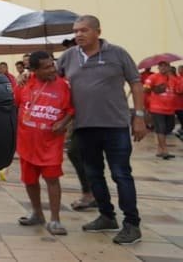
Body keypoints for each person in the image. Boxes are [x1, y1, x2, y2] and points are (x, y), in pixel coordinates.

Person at [56, 15, 147, 245]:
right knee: (94, 174)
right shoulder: (68, 57)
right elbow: (55, 84)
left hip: (115, 126)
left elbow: (135, 83)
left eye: (84, 30)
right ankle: (107, 216)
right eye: (75, 31)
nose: (78, 34)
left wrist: (139, 116)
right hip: (84, 127)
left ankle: (131, 223)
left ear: (98, 31)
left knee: (121, 174)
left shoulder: (117, 53)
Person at [16, 51, 74, 235]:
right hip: (27, 143)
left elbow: (71, 110)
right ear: (34, 70)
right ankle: (37, 213)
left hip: (50, 144)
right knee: (30, 181)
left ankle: (55, 220)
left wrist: (62, 123)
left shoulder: (63, 86)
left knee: (52, 180)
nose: (52, 69)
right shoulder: (25, 83)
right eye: (47, 67)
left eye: (52, 64)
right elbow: (14, 103)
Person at [143, 61, 177, 159]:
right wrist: (155, 88)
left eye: (165, 66)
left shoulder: (172, 79)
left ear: (169, 68)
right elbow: (145, 89)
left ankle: (159, 148)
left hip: (170, 109)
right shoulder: (153, 77)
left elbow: (177, 90)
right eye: (161, 66)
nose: (163, 68)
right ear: (158, 68)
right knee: (161, 128)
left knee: (170, 127)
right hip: (157, 108)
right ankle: (164, 150)